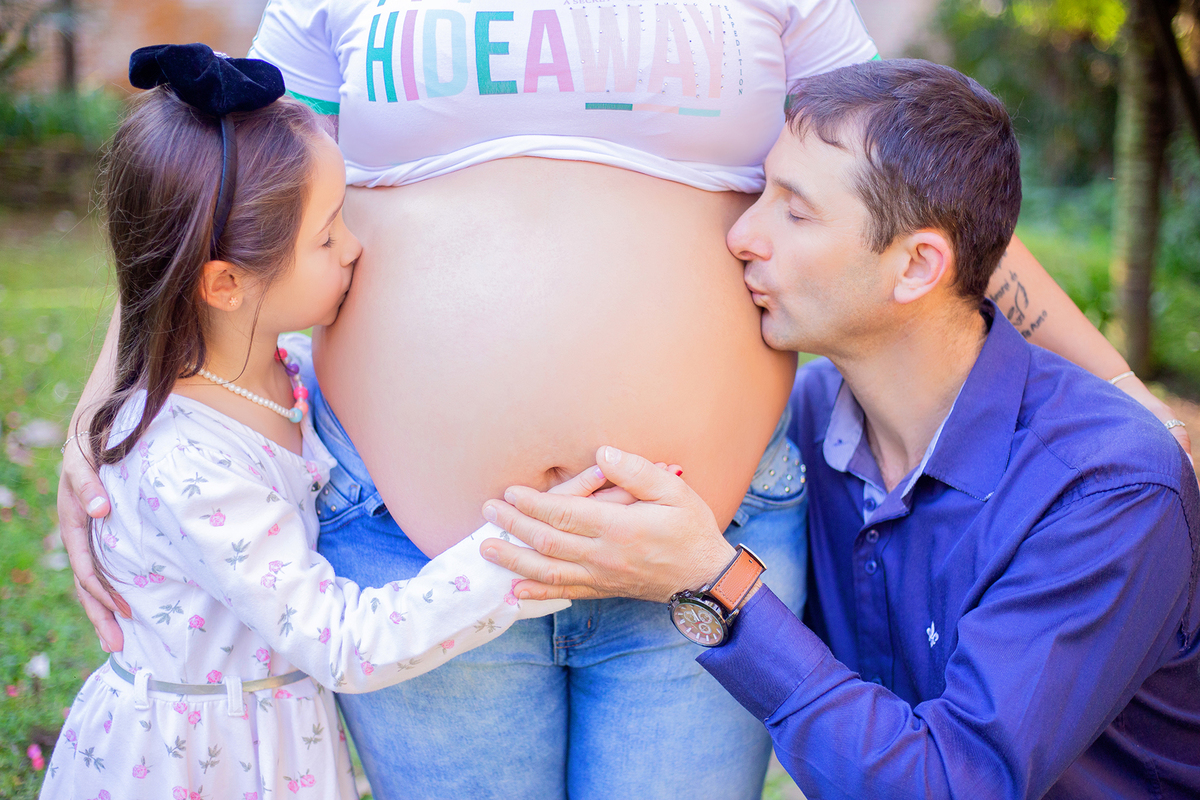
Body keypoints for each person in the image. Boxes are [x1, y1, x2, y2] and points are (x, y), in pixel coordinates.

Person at [58, 2, 1190, 797]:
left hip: (706, 534)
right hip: (411, 541)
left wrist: (1138, 405)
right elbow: (211, 207)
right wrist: (109, 410)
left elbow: (925, 204)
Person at [482, 59, 1200, 799]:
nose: (742, 235)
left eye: (795, 212)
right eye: (760, 192)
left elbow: (951, 784)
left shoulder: (1106, 491)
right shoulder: (808, 419)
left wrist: (713, 583)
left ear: (917, 267)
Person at [41, 44, 580, 800]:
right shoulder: (184, 463)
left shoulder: (274, 367)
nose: (354, 248)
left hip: (274, 735)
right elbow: (346, 642)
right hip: (200, 764)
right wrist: (521, 551)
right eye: (327, 237)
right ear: (225, 282)